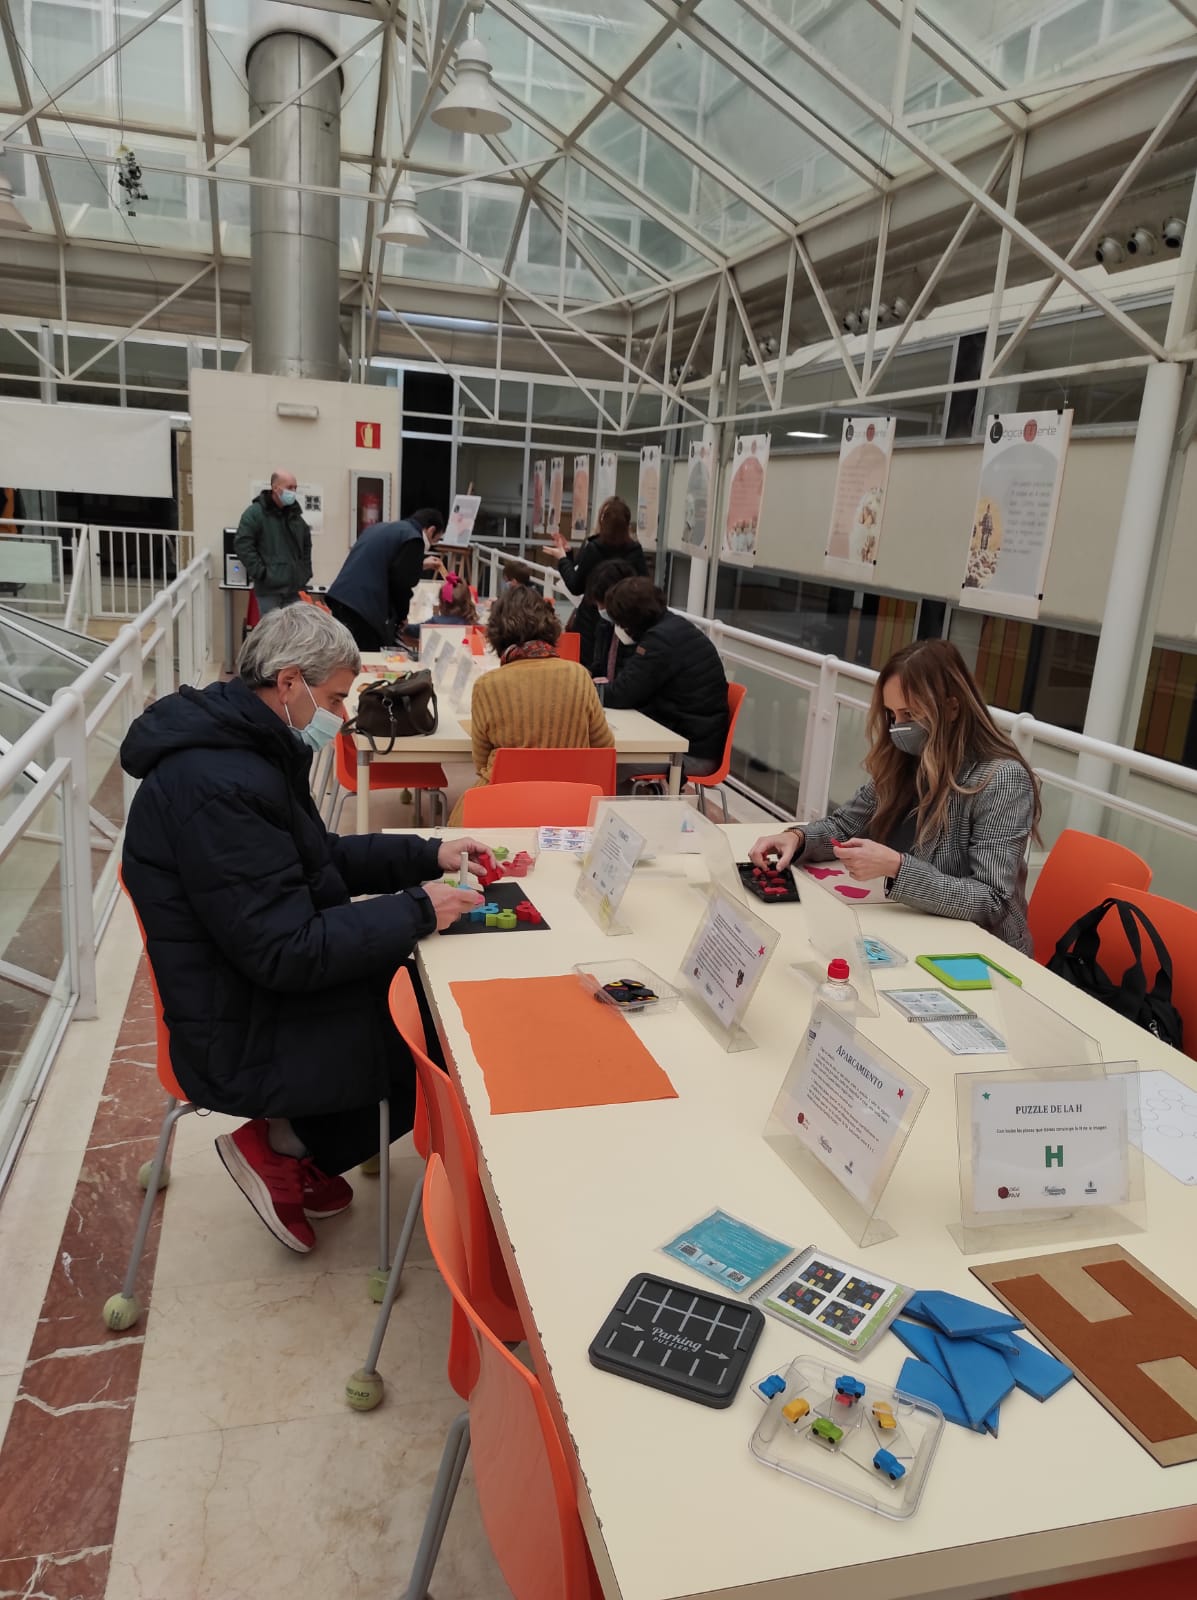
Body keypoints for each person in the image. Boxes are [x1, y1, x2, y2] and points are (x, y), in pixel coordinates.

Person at [119, 604, 493, 1253]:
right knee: (432, 1023)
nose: (341, 716)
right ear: (289, 682)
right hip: (237, 1016)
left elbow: (320, 860)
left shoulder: (247, 752)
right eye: (336, 698)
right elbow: (286, 951)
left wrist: (428, 854)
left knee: (420, 989)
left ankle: (302, 1145)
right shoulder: (220, 785)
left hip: (243, 974)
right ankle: (285, 1145)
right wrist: (416, 909)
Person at [749, 638, 1041, 953]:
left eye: (910, 714)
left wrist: (897, 868)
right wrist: (797, 838)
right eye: (892, 715)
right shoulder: (906, 761)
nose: (898, 727)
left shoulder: (1001, 779)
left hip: (980, 952)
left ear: (952, 708)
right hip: (909, 931)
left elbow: (991, 900)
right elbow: (844, 826)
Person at [451, 585, 613, 814]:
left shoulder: (487, 686)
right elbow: (604, 747)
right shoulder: (579, 676)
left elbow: (481, 762)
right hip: (569, 806)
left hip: (504, 807)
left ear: (496, 633)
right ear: (550, 625)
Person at [603, 577, 729, 778]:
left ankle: (623, 799)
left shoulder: (660, 641)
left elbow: (622, 694)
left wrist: (584, 690)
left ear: (630, 619)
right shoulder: (673, 627)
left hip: (689, 753)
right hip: (697, 741)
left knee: (605, 765)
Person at [326, 508, 446, 651]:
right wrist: (402, 616)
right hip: (363, 607)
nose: (431, 545)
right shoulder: (414, 538)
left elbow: (387, 565)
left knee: (345, 654)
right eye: (435, 541)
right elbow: (401, 583)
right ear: (431, 530)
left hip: (341, 598)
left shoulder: (382, 529)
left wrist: (420, 565)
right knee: (366, 656)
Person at [233, 469, 312, 615]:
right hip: (269, 592)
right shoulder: (255, 513)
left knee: (295, 629)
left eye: (295, 487)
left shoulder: (295, 516)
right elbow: (242, 545)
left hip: (294, 591)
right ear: (275, 488)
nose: (293, 491)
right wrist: (262, 573)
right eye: (289, 487)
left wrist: (305, 572)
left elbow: (306, 544)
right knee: (272, 628)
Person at [543, 495, 647, 597]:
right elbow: (644, 586)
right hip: (623, 607)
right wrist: (568, 553)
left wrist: (562, 558)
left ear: (602, 520)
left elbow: (575, 585)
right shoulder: (634, 550)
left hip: (594, 607)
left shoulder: (594, 548)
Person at [580, 557, 637, 681]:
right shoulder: (605, 625)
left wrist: (611, 686)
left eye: (602, 603)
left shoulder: (640, 632)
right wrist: (588, 673)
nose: (600, 609)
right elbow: (599, 663)